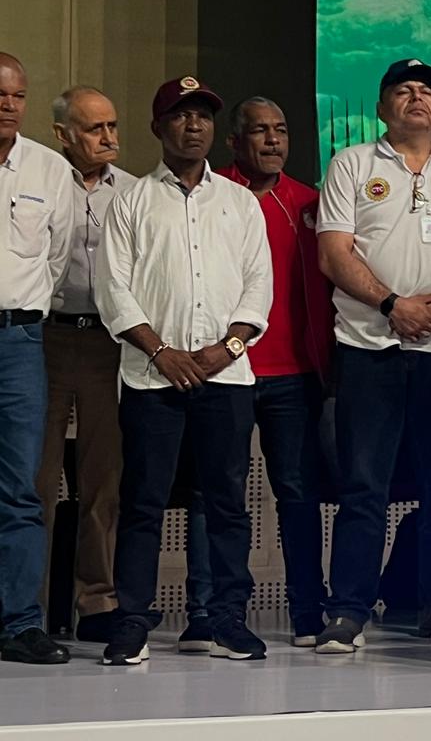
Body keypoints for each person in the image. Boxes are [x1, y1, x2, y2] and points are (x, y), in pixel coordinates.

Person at [316, 59, 431, 653]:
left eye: (427, 91)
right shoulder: (351, 165)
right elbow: (334, 254)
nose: (417, 98)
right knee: (364, 484)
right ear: (382, 106)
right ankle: (347, 611)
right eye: (404, 89)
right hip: (369, 345)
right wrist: (394, 304)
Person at [96, 76, 272, 665]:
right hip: (153, 378)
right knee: (143, 501)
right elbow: (112, 288)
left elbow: (258, 285)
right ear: (158, 127)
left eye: (202, 116)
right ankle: (133, 623)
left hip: (225, 377)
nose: (193, 125)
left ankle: (224, 620)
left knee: (225, 501)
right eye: (180, 115)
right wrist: (160, 352)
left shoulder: (241, 202)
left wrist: (226, 347)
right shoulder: (132, 200)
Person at [215, 96, 334, 646]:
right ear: (234, 142)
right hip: (225, 370)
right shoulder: (214, 197)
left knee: (298, 493)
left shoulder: (310, 203)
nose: (272, 141)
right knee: (221, 494)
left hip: (294, 374)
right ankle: (218, 610)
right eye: (259, 131)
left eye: (280, 130)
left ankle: (309, 609)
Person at [32, 86, 134, 646]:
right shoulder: (42, 183)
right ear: (63, 134)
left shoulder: (135, 192)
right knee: (37, 480)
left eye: (112, 126)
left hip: (108, 343)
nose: (109, 137)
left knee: (103, 480)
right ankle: (30, 607)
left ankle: (96, 601)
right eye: (95, 128)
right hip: (45, 338)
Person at [0, 53, 75, 665]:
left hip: (20, 342)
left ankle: (18, 623)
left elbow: (56, 259)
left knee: (21, 489)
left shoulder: (49, 170)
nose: (7, 104)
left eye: (18, 96)